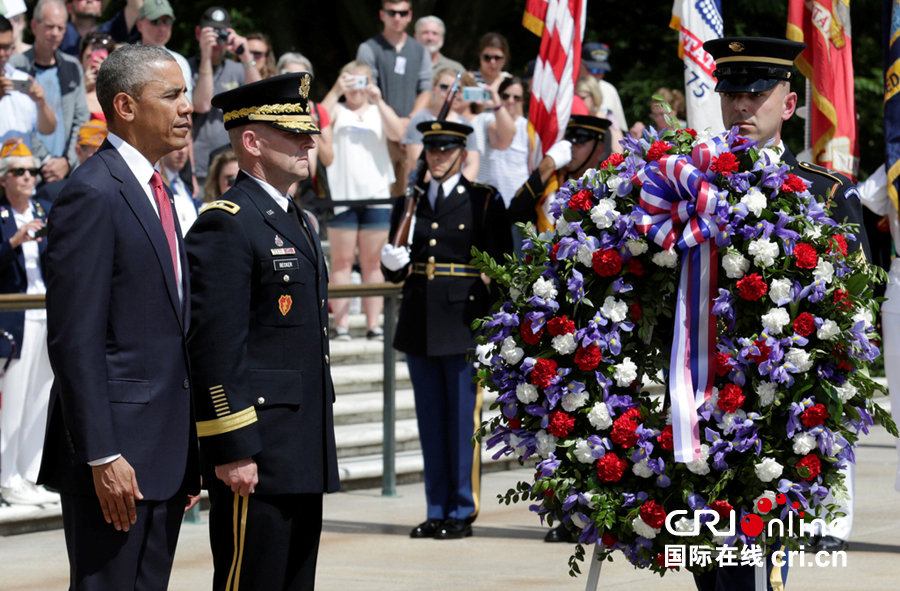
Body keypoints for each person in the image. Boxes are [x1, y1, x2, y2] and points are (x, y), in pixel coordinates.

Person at [688, 36, 871, 591]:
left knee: (750, 574)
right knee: (705, 571)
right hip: (697, 402)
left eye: (757, 94)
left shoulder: (825, 193)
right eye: (731, 94)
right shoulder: (691, 188)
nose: (742, 106)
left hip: (775, 415)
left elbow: (851, 314)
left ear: (788, 105)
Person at [38, 44, 199, 590]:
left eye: (186, 95)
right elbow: (74, 340)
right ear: (126, 106)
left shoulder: (160, 191)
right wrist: (102, 453)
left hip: (163, 455)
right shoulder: (92, 193)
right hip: (115, 462)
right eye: (172, 95)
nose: (186, 109)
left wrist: (188, 447)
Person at [185, 71, 340, 591]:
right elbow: (214, 345)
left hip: (300, 444)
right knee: (250, 581)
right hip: (257, 450)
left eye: (308, 131)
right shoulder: (227, 221)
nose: (308, 141)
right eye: (293, 132)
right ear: (251, 142)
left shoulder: (294, 217)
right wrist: (232, 447)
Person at [380, 120, 513, 540]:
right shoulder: (410, 202)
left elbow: (504, 266)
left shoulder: (483, 200)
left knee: (461, 424)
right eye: (431, 149)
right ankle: (436, 508)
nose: (436, 157)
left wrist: (493, 325)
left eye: (445, 149)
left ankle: (462, 509)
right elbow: (394, 269)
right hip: (419, 321)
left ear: (460, 153)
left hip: (462, 323)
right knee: (431, 423)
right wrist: (392, 262)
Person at [321, 61, 403, 341]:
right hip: (342, 196)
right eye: (351, 81)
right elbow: (314, 120)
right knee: (342, 262)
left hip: (377, 195)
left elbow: (398, 134)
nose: (356, 87)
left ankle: (373, 325)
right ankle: (341, 325)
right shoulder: (337, 110)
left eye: (362, 81)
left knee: (373, 263)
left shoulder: (378, 110)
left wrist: (378, 100)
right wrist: (335, 90)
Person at [0, 139, 57, 506]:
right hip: (15, 316)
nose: (27, 177)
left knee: (40, 397)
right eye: (18, 172)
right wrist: (16, 242)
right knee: (14, 400)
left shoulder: (45, 208)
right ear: (4, 179)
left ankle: (33, 472)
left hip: (47, 311)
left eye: (32, 171)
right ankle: (7, 477)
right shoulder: (2, 216)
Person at [356, 0, 433, 197]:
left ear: (409, 15)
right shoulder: (369, 48)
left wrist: (409, 121)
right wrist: (393, 124)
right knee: (381, 197)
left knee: (409, 196)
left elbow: (426, 89)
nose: (397, 17)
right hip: (378, 133)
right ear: (382, 15)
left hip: (412, 135)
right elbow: (366, 91)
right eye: (392, 12)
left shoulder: (420, 50)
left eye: (402, 13)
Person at [10, 0, 90, 182]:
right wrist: (45, 160)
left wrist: (68, 161)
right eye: (49, 26)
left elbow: (80, 117)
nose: (55, 33)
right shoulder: (15, 67)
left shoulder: (72, 67)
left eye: (61, 28)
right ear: (34, 25)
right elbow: (18, 120)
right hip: (27, 171)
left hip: (66, 172)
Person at [190, 6, 261, 194]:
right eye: (211, 32)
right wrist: (206, 56)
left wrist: (245, 56)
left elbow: (260, 100)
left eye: (221, 33)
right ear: (198, 33)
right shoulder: (187, 67)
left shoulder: (238, 69)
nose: (217, 39)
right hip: (201, 167)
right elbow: (203, 104)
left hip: (233, 167)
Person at [403, 67, 480, 183]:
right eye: (444, 86)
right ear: (434, 88)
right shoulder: (419, 120)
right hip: (425, 187)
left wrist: (454, 190)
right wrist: (436, 188)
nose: (449, 91)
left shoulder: (465, 124)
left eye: (456, 88)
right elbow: (416, 161)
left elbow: (472, 164)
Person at [1, 14, 57, 148]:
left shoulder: (22, 78)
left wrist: (41, 103)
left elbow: (48, 130)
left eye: (8, 47)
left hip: (23, 166)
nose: (2, 54)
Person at [34, 117, 106, 203]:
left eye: (109, 153)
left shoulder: (120, 188)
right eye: (98, 153)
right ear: (78, 151)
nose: (105, 159)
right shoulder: (55, 194)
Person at [135, 0, 193, 103]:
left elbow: (186, 110)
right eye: (155, 21)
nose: (162, 28)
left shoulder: (180, 62)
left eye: (167, 21)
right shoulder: (127, 60)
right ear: (140, 25)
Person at [59, 0, 140, 58]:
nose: (90, 0)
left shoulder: (109, 32)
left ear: (100, 9)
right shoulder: (58, 32)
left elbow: (135, 8)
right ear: (69, 7)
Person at [579, 42, 627, 132]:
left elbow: (619, 129)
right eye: (593, 69)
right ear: (580, 64)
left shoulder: (610, 90)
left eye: (602, 70)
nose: (598, 74)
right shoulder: (568, 88)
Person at [575, 75, 624, 153]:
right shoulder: (574, 119)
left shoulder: (608, 117)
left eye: (582, 98)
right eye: (575, 98)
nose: (577, 101)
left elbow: (618, 152)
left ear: (594, 98)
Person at [159, 145, 197, 235]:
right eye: (176, 146)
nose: (182, 151)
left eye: (186, 146)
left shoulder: (182, 184)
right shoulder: (159, 185)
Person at [77, 31, 112, 120]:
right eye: (89, 56)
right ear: (81, 60)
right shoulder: (72, 89)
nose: (95, 61)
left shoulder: (119, 93)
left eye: (101, 57)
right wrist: (82, 89)